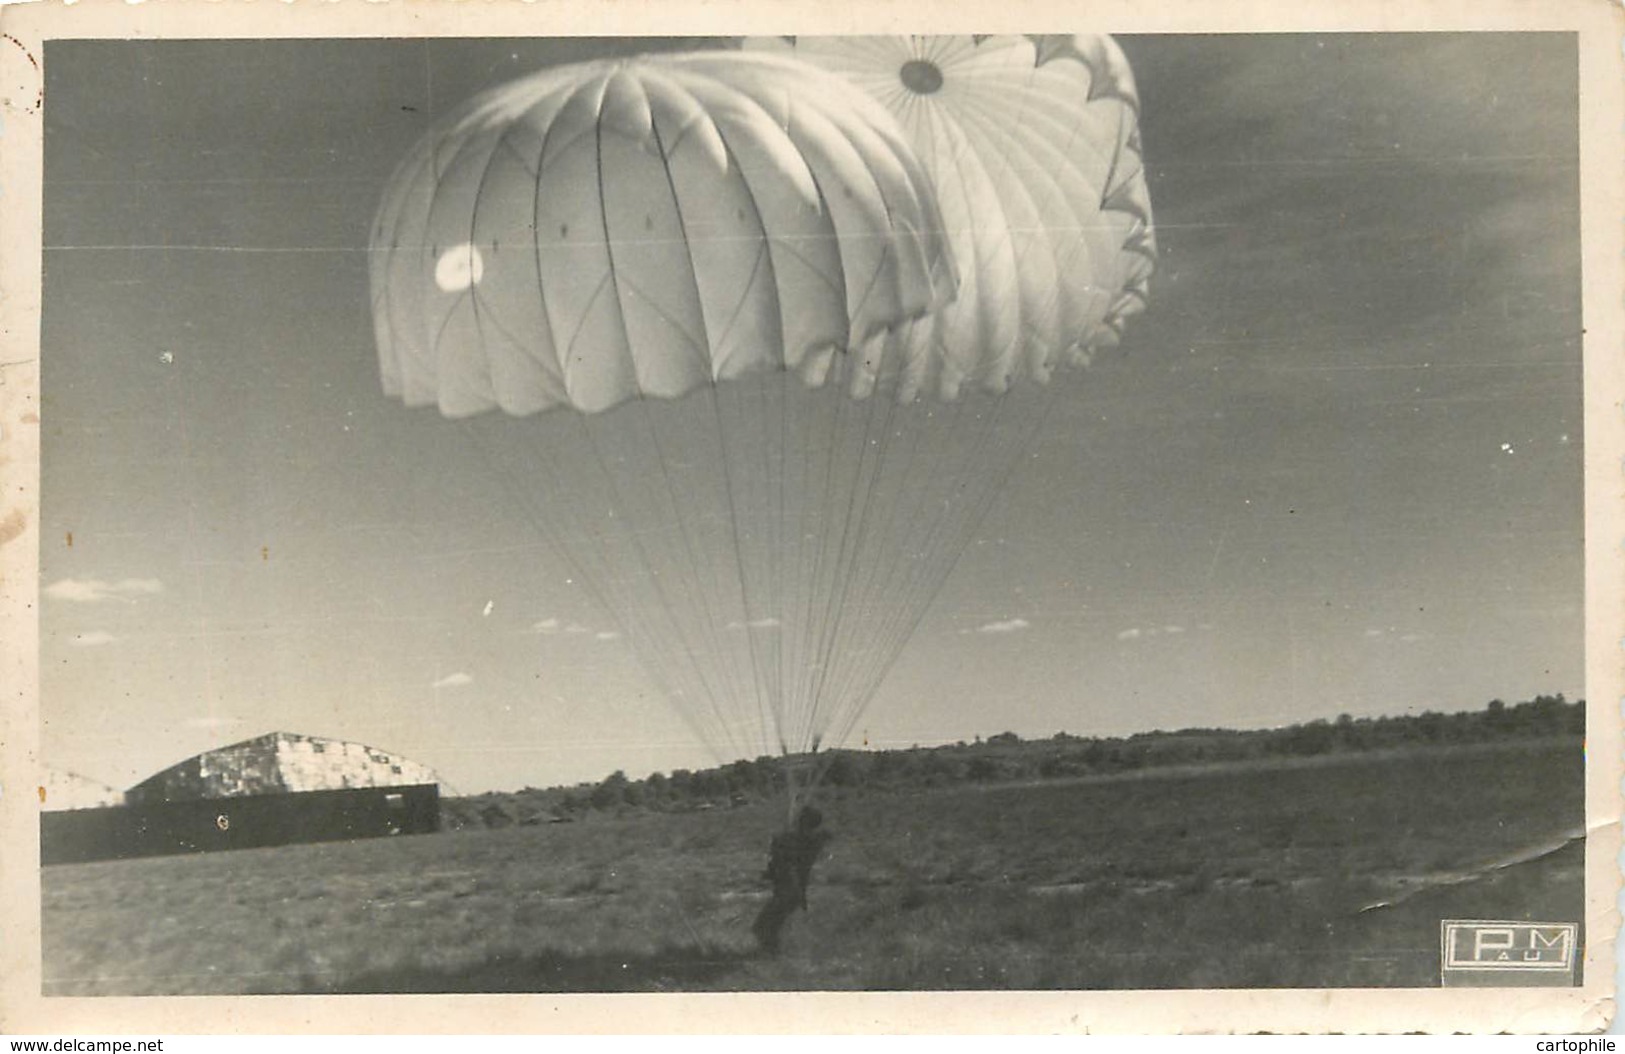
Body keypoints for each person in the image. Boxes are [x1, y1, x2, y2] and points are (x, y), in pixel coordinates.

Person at [751, 805, 832, 954]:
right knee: (771, 925)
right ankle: (774, 953)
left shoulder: (792, 842)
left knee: (763, 927)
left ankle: (771, 955)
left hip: (788, 891)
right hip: (793, 891)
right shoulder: (809, 842)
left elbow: (785, 862)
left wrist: (778, 846)